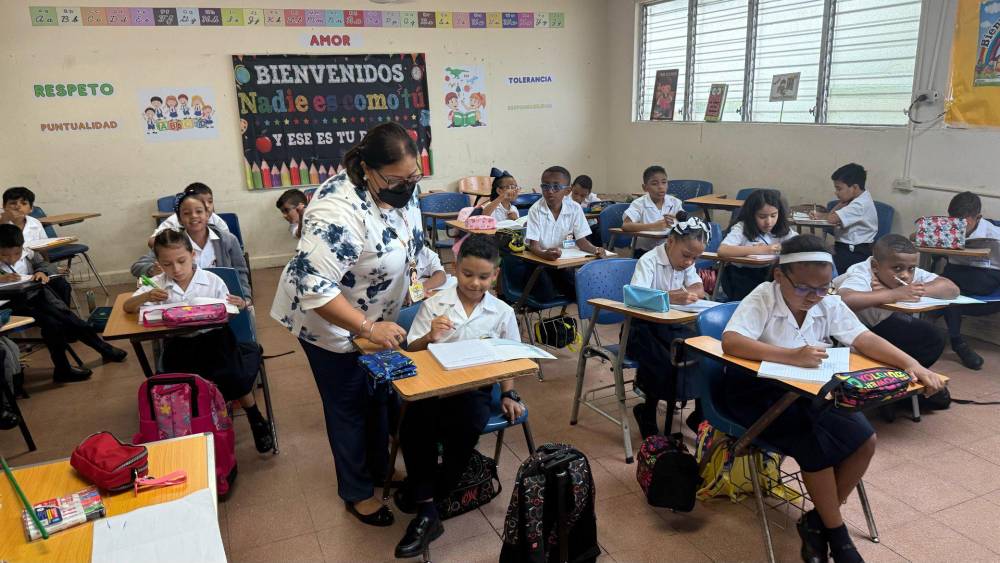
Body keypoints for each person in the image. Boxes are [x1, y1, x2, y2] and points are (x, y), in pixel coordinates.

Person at [721, 234, 944, 563]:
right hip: (758, 391)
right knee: (815, 445)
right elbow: (732, 342)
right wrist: (791, 356)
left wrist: (913, 365)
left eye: (823, 288)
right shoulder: (763, 297)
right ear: (780, 275)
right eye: (804, 288)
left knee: (865, 440)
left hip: (811, 390)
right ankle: (838, 537)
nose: (814, 296)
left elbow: (863, 338)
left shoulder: (826, 300)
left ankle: (816, 521)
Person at [270, 122, 423, 527]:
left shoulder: (401, 188)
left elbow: (409, 242)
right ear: (368, 170)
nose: (407, 186)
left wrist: (426, 278)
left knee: (377, 394)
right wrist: (367, 328)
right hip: (329, 322)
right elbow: (315, 288)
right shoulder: (335, 210)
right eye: (397, 180)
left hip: (375, 314)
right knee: (348, 403)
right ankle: (357, 492)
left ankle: (379, 468)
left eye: (413, 176)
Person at [394, 234, 525, 558]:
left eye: (483, 276)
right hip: (432, 387)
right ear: (455, 268)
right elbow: (411, 351)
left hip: (473, 391)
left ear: (495, 275)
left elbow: (509, 357)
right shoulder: (435, 304)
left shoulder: (502, 312)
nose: (475, 283)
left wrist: (509, 393)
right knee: (414, 426)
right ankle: (428, 509)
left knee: (466, 427)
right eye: (467, 274)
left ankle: (427, 498)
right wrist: (429, 336)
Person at [124, 229, 273, 453]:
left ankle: (255, 418)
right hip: (179, 344)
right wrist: (146, 296)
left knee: (234, 376)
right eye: (167, 264)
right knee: (178, 385)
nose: (176, 269)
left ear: (192, 255)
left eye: (181, 261)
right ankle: (194, 427)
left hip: (215, 340)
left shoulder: (211, 281)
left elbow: (229, 312)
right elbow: (128, 307)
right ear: (158, 264)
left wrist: (239, 305)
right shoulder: (157, 284)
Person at [0, 225, 127, 383]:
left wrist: (41, 272)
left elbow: (44, 265)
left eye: (16, 253)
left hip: (35, 298)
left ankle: (103, 349)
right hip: (10, 307)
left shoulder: (28, 254)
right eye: (4, 255)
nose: (12, 258)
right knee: (53, 324)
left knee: (69, 318)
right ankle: (63, 369)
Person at [630, 211, 708, 438]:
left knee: (704, 352)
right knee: (666, 358)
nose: (689, 262)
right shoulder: (649, 261)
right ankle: (647, 412)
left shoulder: (686, 263)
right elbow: (634, 297)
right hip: (642, 328)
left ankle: (699, 415)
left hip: (673, 327)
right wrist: (669, 296)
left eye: (695, 258)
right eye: (686, 255)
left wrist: (689, 292)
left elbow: (699, 289)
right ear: (671, 241)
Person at [834, 234, 957, 368]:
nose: (905, 275)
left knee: (933, 337)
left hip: (879, 320)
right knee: (927, 339)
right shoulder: (861, 273)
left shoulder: (905, 267)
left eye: (911, 269)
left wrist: (912, 291)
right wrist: (894, 294)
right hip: (851, 327)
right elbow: (844, 299)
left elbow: (951, 288)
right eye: (897, 268)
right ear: (875, 266)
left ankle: (907, 373)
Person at [132, 192, 250, 298]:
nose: (193, 216)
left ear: (208, 214)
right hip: (181, 301)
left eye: (199, 211)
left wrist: (245, 297)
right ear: (179, 219)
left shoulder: (228, 240)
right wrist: (152, 270)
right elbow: (137, 267)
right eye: (186, 213)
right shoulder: (172, 242)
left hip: (221, 299)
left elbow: (241, 271)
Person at [524, 165, 606, 301]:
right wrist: (545, 255)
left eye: (556, 187)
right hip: (539, 261)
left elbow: (582, 242)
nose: (550, 191)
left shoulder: (575, 208)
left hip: (562, 262)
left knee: (580, 292)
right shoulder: (535, 210)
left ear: (567, 190)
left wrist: (596, 250)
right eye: (545, 186)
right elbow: (534, 246)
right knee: (546, 295)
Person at [939, 191, 1000, 369]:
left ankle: (957, 343)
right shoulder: (946, 228)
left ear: (978, 217)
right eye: (954, 221)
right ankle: (958, 343)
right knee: (945, 290)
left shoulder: (994, 234)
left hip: (985, 275)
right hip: (955, 273)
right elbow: (914, 238)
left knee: (948, 291)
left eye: (964, 222)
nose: (958, 227)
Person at [718, 189, 797, 300]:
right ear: (751, 215)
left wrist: (785, 248)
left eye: (773, 215)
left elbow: (799, 244)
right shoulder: (742, 227)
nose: (769, 222)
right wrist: (765, 249)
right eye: (762, 217)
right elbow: (723, 250)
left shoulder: (781, 228)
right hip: (742, 276)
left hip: (771, 274)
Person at [1, 186, 75, 305]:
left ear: (31, 208)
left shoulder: (35, 223)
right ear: (4, 206)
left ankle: (62, 311)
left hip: (33, 267)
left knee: (62, 285)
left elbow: (43, 248)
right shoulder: (2, 223)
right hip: (9, 274)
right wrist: (3, 221)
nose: (18, 207)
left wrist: (47, 269)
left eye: (24, 203)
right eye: (13, 203)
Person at [809, 163, 877, 274]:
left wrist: (839, 204)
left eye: (839, 189)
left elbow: (832, 219)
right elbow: (832, 215)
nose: (836, 192)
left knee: (819, 267)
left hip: (854, 254)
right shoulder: (857, 199)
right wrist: (841, 203)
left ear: (854, 187)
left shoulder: (860, 204)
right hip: (847, 248)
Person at [622, 166, 683, 258]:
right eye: (654, 184)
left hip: (669, 251)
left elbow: (684, 223)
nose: (661, 187)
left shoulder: (675, 202)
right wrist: (653, 226)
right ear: (645, 187)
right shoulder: (639, 204)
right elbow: (626, 225)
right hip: (643, 252)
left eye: (664, 182)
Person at [149, 182, 230, 247]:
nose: (207, 206)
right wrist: (173, 247)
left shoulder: (217, 221)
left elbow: (229, 243)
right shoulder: (175, 220)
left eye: (210, 201)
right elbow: (151, 241)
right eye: (201, 202)